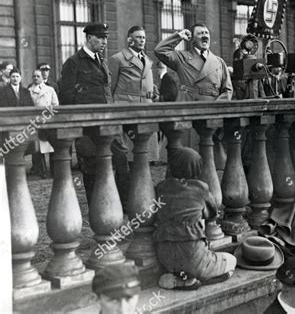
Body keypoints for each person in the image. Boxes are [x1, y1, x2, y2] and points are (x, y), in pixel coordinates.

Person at [59, 22, 127, 207]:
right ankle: (97, 206)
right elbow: (66, 97)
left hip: (109, 122)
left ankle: (123, 203)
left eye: (106, 37)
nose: (104, 41)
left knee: (121, 158)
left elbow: (106, 91)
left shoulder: (102, 61)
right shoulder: (73, 63)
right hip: (88, 126)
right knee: (91, 165)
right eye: (100, 37)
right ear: (89, 38)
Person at [154, 147, 236, 290]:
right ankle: (193, 280)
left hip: (164, 255)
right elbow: (212, 213)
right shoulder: (201, 189)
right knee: (232, 261)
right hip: (193, 256)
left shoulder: (161, 188)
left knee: (187, 262)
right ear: (198, 169)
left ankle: (179, 279)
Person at [108, 25, 161, 196]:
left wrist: (152, 93)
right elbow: (111, 88)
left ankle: (141, 193)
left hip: (145, 110)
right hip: (126, 110)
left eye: (143, 38)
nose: (142, 40)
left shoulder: (147, 60)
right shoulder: (118, 59)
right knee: (127, 159)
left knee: (143, 156)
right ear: (129, 39)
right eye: (138, 37)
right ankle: (125, 197)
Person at [154, 23, 233, 101]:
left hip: (212, 109)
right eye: (200, 33)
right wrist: (179, 36)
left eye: (206, 33)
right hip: (189, 107)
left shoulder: (219, 62)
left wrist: (216, 107)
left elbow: (227, 90)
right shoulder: (182, 58)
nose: (205, 36)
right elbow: (160, 50)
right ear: (192, 40)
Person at [28, 69, 59, 177]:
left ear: (42, 77)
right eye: (34, 76)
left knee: (51, 147)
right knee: (38, 149)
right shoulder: (29, 90)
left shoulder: (49, 90)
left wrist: (48, 114)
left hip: (48, 121)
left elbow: (56, 104)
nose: (36, 78)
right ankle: (41, 171)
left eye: (38, 76)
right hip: (36, 122)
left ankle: (54, 171)